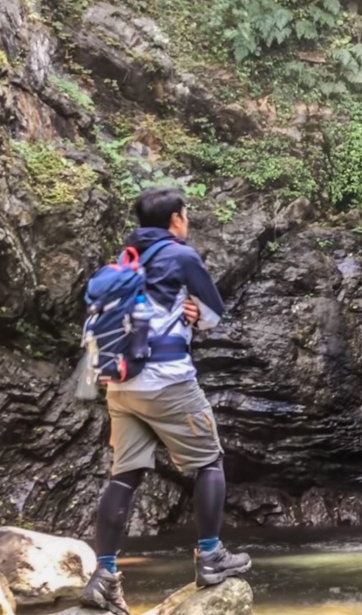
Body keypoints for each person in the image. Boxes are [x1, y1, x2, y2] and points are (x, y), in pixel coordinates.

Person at [80, 187, 251, 615]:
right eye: (186, 215)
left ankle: (103, 576)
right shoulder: (180, 255)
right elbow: (213, 314)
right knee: (209, 461)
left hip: (120, 386)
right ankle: (210, 557)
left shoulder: (125, 259)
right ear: (176, 219)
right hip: (168, 382)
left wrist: (184, 309)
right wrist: (195, 310)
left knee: (126, 475)